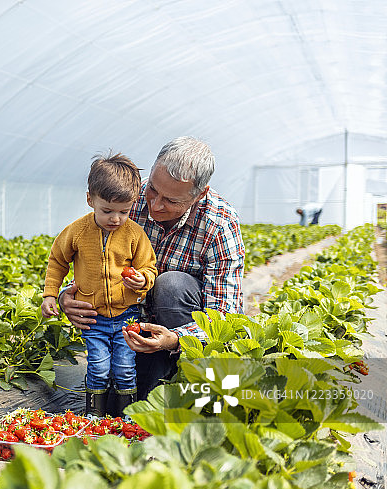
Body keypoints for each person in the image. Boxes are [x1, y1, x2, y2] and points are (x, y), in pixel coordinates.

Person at [58, 137, 245, 402]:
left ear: (199, 195)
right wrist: (69, 296)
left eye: (171, 200)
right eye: (153, 190)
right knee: (115, 409)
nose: (155, 205)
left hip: (181, 335)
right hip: (129, 327)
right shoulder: (128, 200)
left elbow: (225, 316)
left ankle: (185, 382)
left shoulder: (219, 225)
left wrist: (174, 339)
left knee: (171, 285)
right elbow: (88, 253)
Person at [41, 152, 157, 417]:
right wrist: (50, 295)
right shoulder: (77, 232)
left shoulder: (135, 234)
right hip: (93, 317)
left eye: (124, 212)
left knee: (125, 368)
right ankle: (94, 414)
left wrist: (142, 280)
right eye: (107, 210)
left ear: (133, 204)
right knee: (98, 367)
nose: (115, 218)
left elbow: (149, 266)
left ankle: (128, 417)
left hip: (127, 316)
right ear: (90, 199)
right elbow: (58, 260)